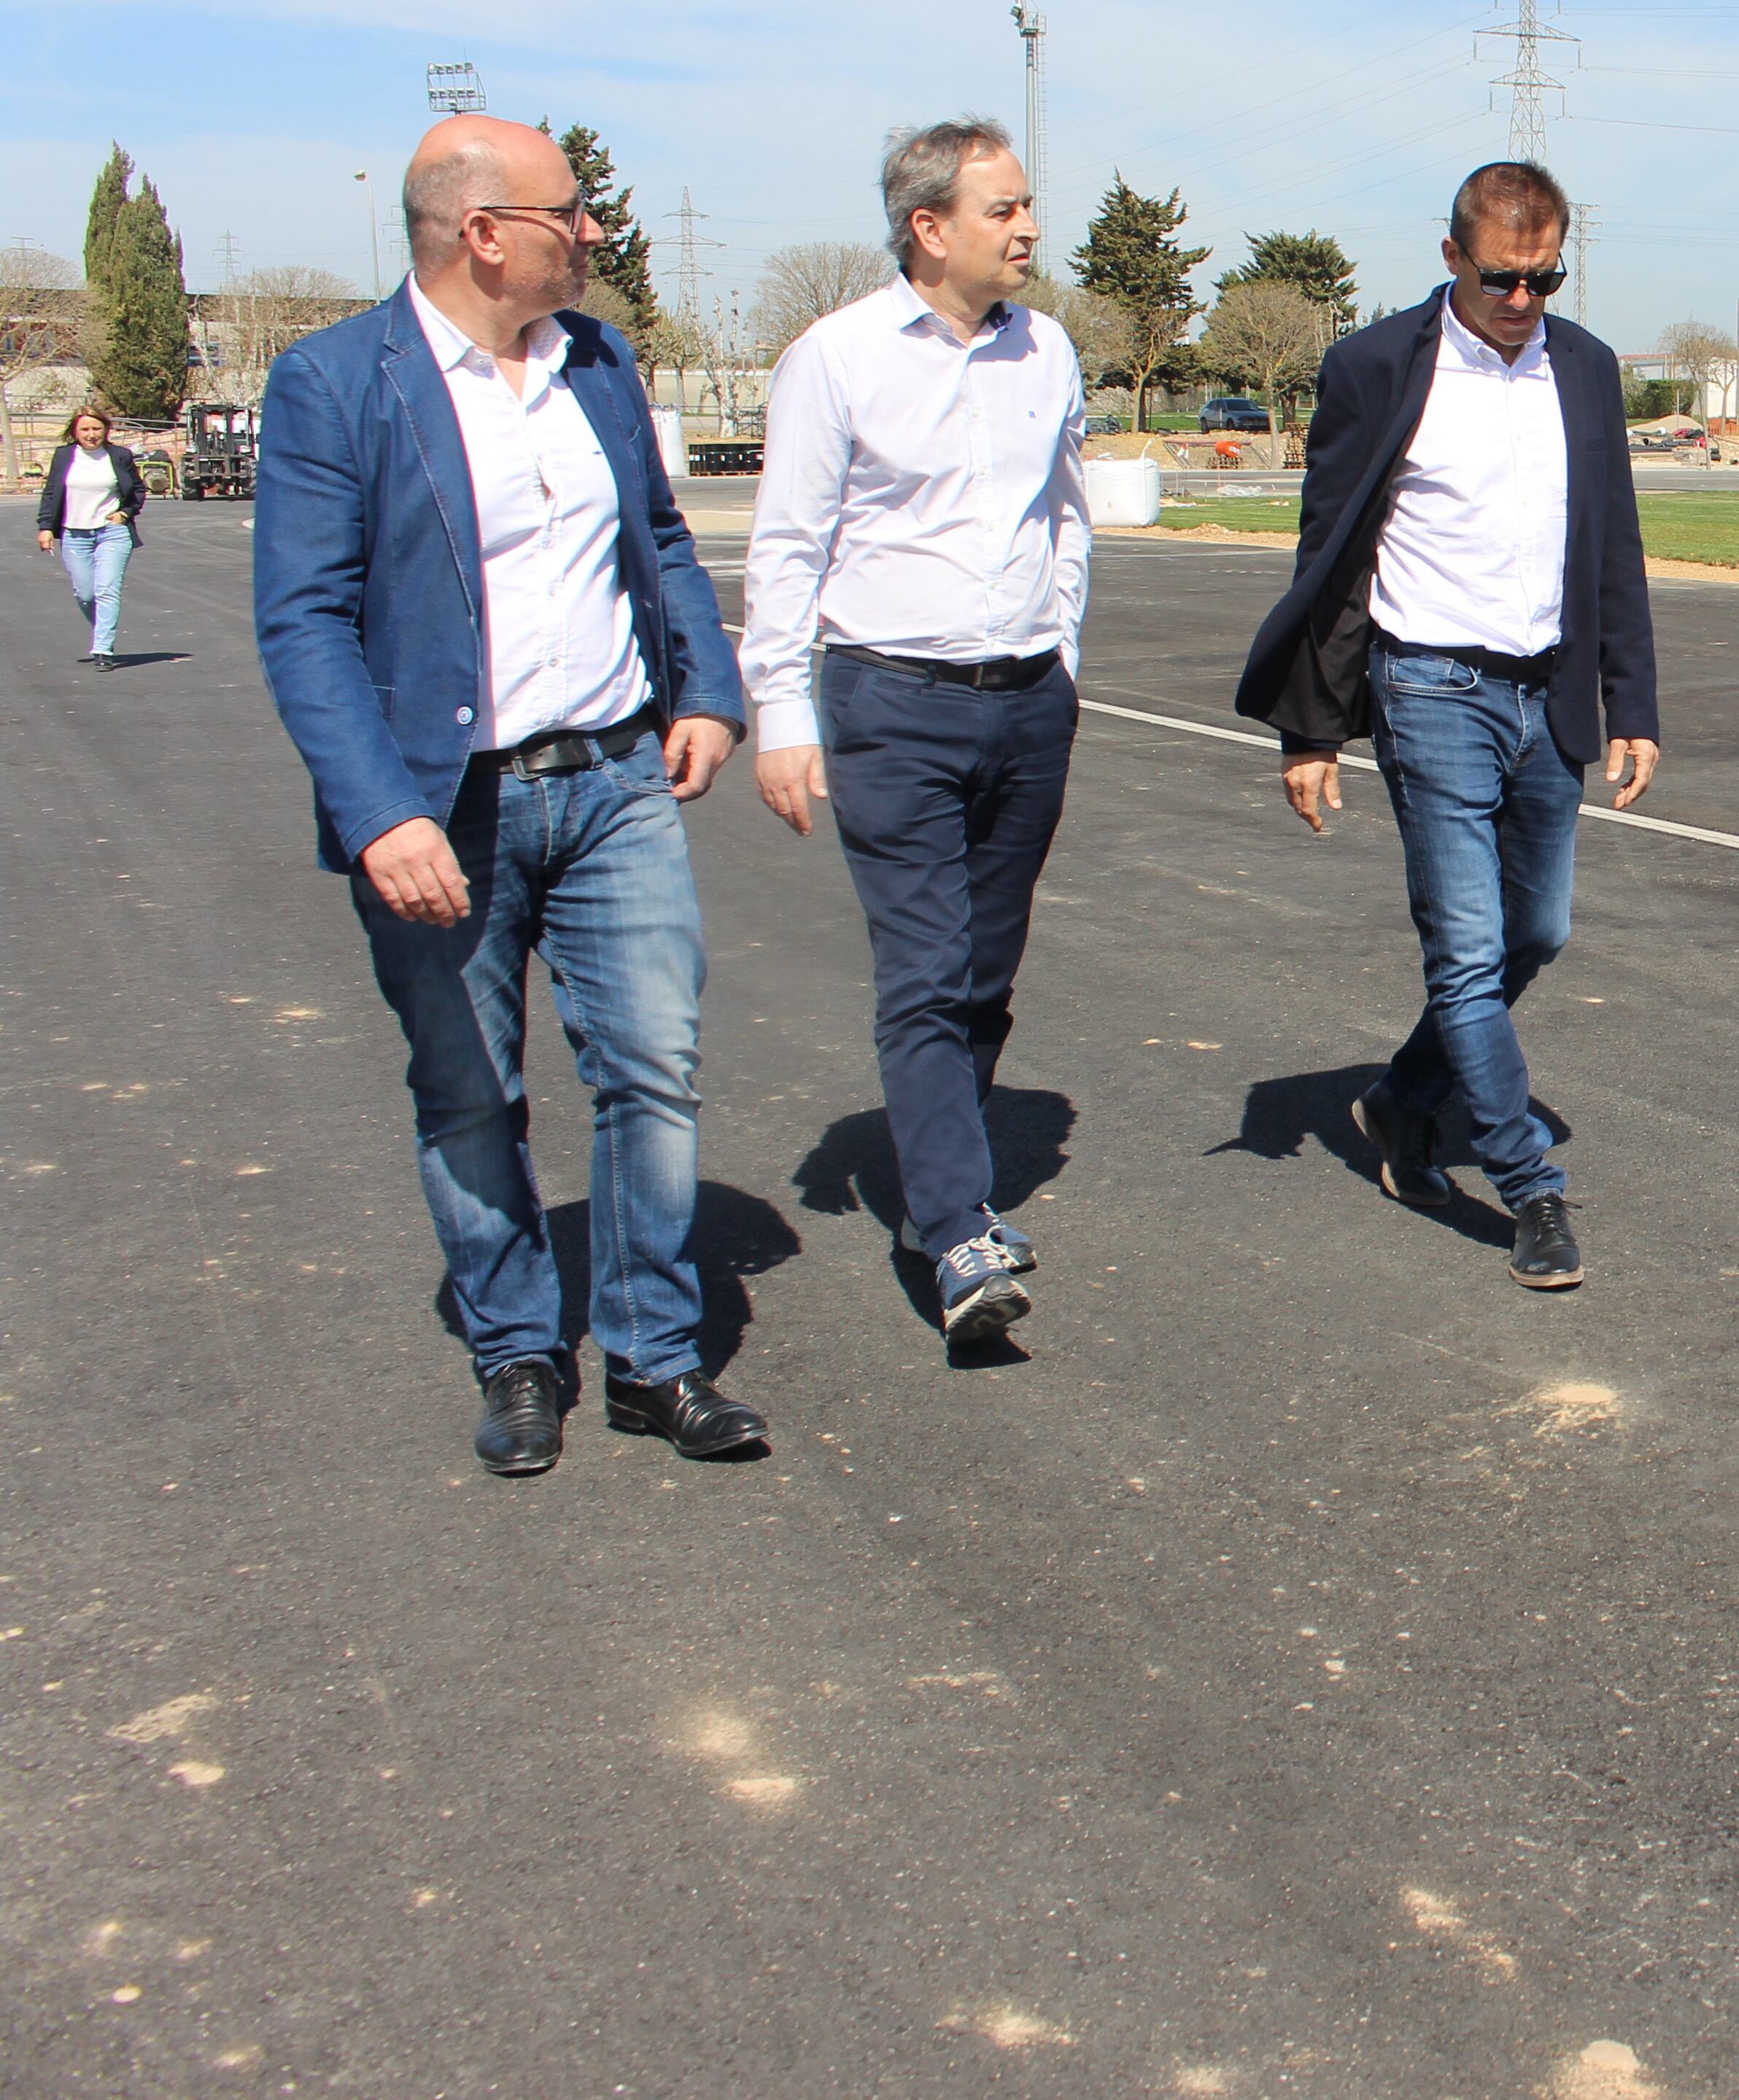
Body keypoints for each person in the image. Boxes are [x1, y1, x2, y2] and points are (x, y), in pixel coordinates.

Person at [252, 114, 758, 1475]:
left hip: (610, 781)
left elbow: (659, 536)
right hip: (442, 804)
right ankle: (519, 1347)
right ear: (484, 232)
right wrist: (380, 812)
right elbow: (303, 619)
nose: (593, 232)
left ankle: (654, 1355)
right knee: (469, 1092)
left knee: (652, 1066)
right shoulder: (334, 381)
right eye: (570, 212)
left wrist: (705, 689)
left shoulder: (598, 363)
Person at [1236, 160, 1661, 1292]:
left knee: (1542, 931)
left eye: (1545, 276)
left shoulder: (1586, 368)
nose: (1523, 299)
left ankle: (1401, 1099)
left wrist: (1637, 704)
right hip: (1430, 690)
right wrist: (1311, 732)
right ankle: (1530, 1187)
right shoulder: (1375, 368)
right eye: (1501, 277)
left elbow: (1611, 545)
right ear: (1451, 258)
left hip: (1550, 692)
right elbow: (1330, 562)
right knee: (1468, 952)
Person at [742, 120, 1091, 1346]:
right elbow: (787, 546)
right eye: (1004, 209)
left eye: (1027, 204)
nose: (1030, 227)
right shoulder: (834, 359)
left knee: (986, 972)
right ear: (929, 227)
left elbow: (1067, 514)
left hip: (1027, 702)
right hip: (891, 704)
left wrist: (1065, 655)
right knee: (927, 969)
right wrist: (781, 715)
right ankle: (953, 1227)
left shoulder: (1047, 350)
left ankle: (933, 1180)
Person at [35, 406, 144, 665]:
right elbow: (51, 493)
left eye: (97, 428)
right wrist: (46, 527)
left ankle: (103, 648)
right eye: (85, 429)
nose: (91, 434)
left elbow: (138, 489)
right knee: (85, 593)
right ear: (75, 431)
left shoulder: (119, 456)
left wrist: (126, 513)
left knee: (107, 589)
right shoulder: (64, 457)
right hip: (75, 534)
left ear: (106, 430)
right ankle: (102, 631)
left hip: (113, 533)